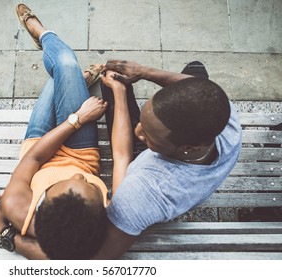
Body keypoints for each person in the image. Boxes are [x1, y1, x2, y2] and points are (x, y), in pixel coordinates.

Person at [0, 4, 109, 260]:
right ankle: (73, 77)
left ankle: (44, 37)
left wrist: (78, 117)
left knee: (61, 73)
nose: (80, 178)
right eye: (89, 187)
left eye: (64, 186)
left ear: (40, 210)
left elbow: (35, 159)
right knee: (64, 64)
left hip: (38, 148)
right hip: (81, 153)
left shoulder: (17, 209)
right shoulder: (104, 229)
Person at [93, 60, 242, 259]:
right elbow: (206, 89)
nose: (137, 130)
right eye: (144, 121)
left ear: (188, 147)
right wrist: (144, 71)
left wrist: (119, 93)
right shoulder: (226, 120)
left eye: (148, 134)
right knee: (196, 69)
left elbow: (121, 157)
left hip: (137, 166)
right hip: (167, 156)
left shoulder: (141, 193)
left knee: (110, 81)